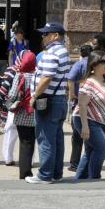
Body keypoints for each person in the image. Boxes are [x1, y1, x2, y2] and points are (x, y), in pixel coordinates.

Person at [28, 21, 71, 183]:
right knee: (57, 139)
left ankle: (45, 175)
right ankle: (56, 173)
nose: (43, 37)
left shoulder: (51, 52)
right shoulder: (64, 52)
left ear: (56, 36)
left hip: (48, 100)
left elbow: (47, 77)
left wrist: (34, 96)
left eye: (46, 34)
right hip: (59, 99)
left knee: (45, 138)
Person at [73, 51, 105, 180]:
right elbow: (82, 105)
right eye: (103, 62)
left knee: (90, 151)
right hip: (86, 119)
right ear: (94, 65)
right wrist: (85, 127)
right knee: (102, 147)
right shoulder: (88, 83)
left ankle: (80, 179)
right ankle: (94, 178)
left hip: (102, 121)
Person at [0, 50, 38, 179]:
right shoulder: (39, 75)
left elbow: (11, 95)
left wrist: (9, 107)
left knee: (23, 141)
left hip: (21, 114)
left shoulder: (20, 75)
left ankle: (24, 172)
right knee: (31, 141)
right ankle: (29, 167)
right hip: (36, 114)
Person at [65, 43, 93, 172]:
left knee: (77, 135)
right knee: (90, 134)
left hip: (78, 101)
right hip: (93, 103)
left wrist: (71, 94)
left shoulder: (79, 64)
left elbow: (70, 79)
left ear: (81, 54)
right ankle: (88, 162)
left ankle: (75, 164)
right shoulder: (95, 64)